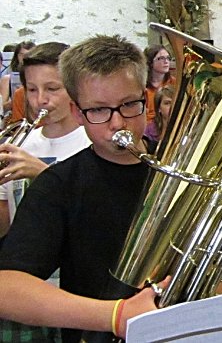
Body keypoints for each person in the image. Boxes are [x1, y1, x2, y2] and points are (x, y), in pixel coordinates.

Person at [0, 35, 167, 343]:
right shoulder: (59, 184)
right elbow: (7, 287)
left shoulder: (181, 170)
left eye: (129, 104)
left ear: (145, 98)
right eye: (99, 110)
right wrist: (115, 316)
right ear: (78, 113)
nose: (118, 123)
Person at [0, 42, 93, 341]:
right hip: (26, 288)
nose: (41, 100)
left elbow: (96, 217)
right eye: (32, 89)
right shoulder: (21, 141)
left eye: (53, 89)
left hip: (76, 286)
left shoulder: (91, 143)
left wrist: (44, 174)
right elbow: (6, 225)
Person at [143, 44, 175, 122]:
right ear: (150, 62)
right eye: (161, 58)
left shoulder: (174, 82)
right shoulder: (142, 86)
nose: (166, 61)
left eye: (168, 58)